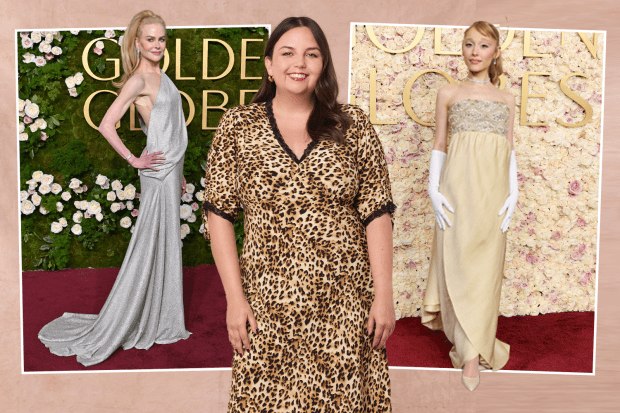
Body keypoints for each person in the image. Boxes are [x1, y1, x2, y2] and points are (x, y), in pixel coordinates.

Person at [201, 16, 395, 412]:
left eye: (312, 53)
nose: (299, 63)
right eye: (287, 53)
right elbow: (218, 213)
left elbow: (377, 211)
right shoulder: (239, 125)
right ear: (270, 65)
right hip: (266, 302)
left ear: (323, 64)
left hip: (344, 299)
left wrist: (385, 297)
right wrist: (235, 300)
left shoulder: (352, 124)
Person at [38, 10, 191, 367]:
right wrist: (134, 159)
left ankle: (159, 315)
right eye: (150, 39)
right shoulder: (139, 79)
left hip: (170, 172)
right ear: (137, 43)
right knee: (151, 243)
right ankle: (140, 316)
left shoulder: (160, 75)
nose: (157, 44)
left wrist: (179, 170)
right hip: (156, 174)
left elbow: (168, 127)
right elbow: (107, 124)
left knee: (165, 241)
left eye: (161, 39)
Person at [421, 21, 517, 391]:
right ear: (462, 49)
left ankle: (474, 351)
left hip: (494, 193)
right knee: (458, 264)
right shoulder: (448, 92)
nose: (474, 52)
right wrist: (433, 187)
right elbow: (440, 142)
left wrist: (514, 193)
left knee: (485, 269)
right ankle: (470, 353)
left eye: (483, 45)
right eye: (468, 44)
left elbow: (509, 149)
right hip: (456, 191)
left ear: (494, 51)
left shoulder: (507, 99)